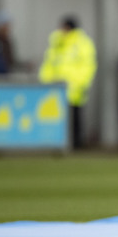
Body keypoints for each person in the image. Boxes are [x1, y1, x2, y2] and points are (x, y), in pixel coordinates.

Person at [39, 15, 97, 149]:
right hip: (56, 88)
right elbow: (49, 64)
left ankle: (76, 143)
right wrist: (45, 81)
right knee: (57, 118)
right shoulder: (57, 42)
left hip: (74, 87)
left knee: (75, 117)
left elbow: (88, 65)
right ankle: (59, 143)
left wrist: (80, 82)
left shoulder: (81, 43)